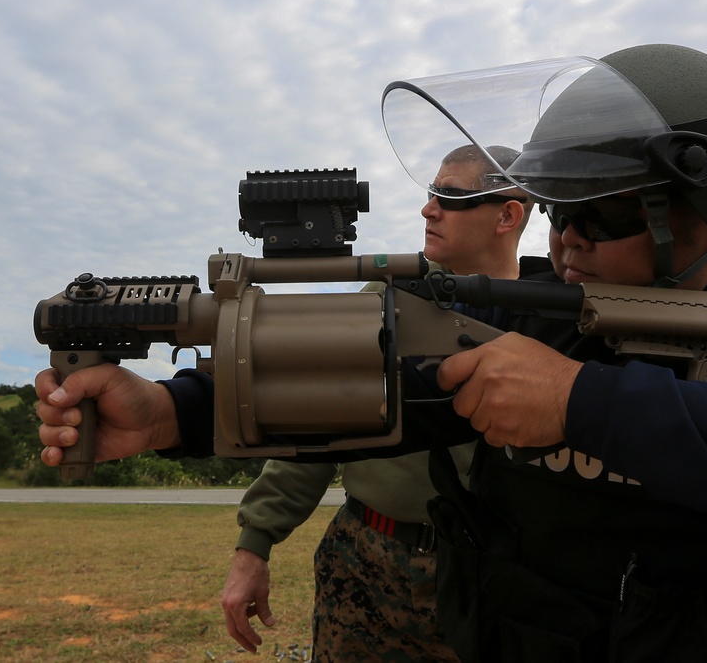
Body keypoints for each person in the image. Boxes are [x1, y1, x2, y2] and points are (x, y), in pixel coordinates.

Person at [36, 44, 707, 662]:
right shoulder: (549, 316)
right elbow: (382, 387)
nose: (563, 242)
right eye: (556, 210)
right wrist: (173, 414)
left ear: (704, 209)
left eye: (597, 214)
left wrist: (584, 404)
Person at [220, 144, 533, 661]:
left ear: (507, 215)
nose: (428, 208)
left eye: (450, 196)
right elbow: (315, 422)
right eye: (431, 192)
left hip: (491, 575)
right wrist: (254, 545)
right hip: (366, 563)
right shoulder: (385, 299)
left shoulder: (551, 320)